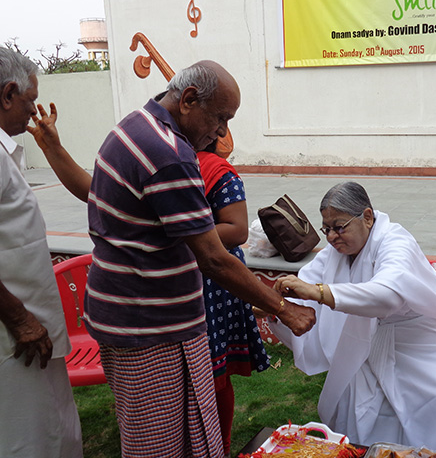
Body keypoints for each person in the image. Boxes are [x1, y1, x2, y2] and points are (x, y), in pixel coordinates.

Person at [28, 60, 315, 458]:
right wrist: (284, 309)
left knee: (178, 431)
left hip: (130, 318)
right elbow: (214, 258)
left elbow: (100, 196)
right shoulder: (169, 154)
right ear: (190, 100)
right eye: (220, 118)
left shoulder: (133, 125)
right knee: (160, 446)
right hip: (150, 330)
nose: (222, 132)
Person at [268, 182, 436, 458]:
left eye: (339, 226)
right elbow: (305, 285)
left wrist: (319, 293)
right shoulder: (335, 253)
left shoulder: (396, 242)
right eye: (327, 229)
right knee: (353, 409)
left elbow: (388, 295)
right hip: (366, 348)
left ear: (367, 217)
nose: (332, 237)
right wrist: (277, 305)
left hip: (423, 344)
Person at [0, 48, 83, 457]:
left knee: (49, 426)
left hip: (28, 327)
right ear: (7, 94)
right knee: (27, 436)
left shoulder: (6, 151)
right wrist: (19, 318)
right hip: (15, 332)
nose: (33, 110)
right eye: (30, 99)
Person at [197, 141, 270, 456]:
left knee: (217, 376)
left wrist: (179, 233)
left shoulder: (217, 172)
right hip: (185, 282)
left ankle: (220, 446)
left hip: (214, 281)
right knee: (195, 379)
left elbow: (238, 230)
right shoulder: (162, 164)